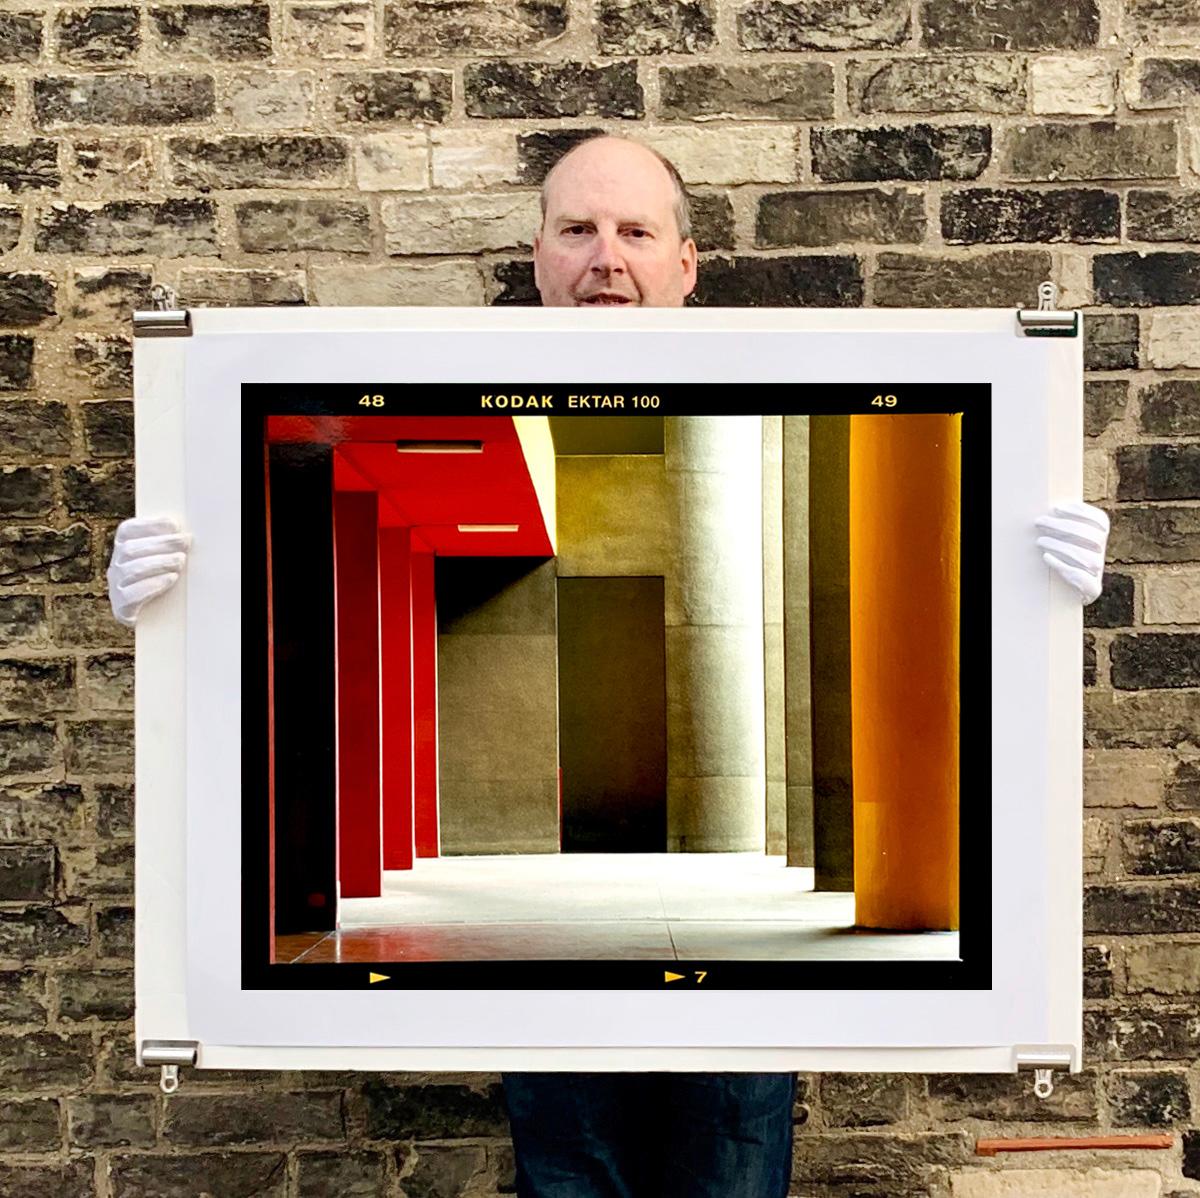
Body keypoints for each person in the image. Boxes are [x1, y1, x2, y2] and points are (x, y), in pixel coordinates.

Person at [109, 134, 1110, 1197]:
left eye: (636, 231)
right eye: (578, 230)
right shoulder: (424, 381)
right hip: (551, 997)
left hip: (746, 1007)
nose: (606, 258)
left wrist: (1034, 589)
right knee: (569, 1171)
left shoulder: (794, 384)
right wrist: (183, 607)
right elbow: (266, 625)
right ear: (536, 255)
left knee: (729, 1171)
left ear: (687, 263)